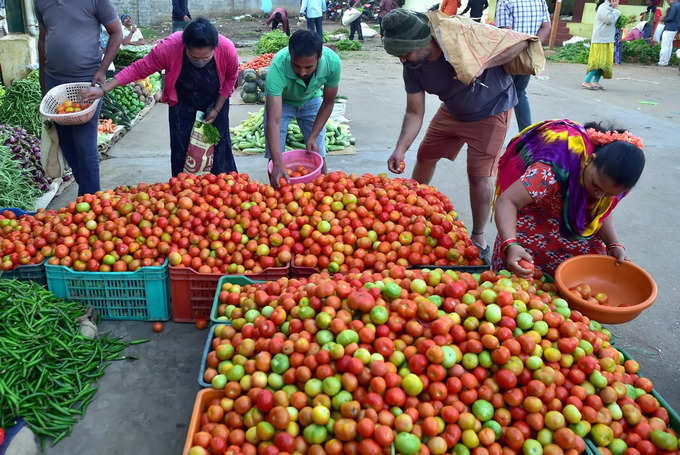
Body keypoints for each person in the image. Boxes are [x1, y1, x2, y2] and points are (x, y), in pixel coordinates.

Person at [382, 9, 525, 261]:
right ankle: (414, 210)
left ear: (424, 42)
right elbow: (414, 113)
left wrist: (481, 63)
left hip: (492, 110)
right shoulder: (412, 66)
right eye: (399, 55)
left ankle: (478, 235)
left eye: (406, 53)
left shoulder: (459, 36)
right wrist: (400, 149)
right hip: (452, 109)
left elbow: (521, 41)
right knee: (425, 155)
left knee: (479, 176)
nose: (403, 60)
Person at [82, 18, 239, 177]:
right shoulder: (170, 47)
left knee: (218, 148)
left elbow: (230, 80)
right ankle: (184, 191)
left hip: (215, 102)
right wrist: (104, 89)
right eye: (194, 58)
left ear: (215, 47)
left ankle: (223, 188)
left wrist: (217, 109)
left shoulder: (227, 49)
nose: (200, 62)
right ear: (185, 47)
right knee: (182, 150)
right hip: (182, 104)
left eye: (205, 58)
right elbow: (139, 68)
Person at [492, 119, 645, 278]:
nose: (599, 196)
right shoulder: (553, 168)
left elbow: (601, 212)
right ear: (590, 160)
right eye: (596, 186)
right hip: (533, 214)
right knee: (516, 276)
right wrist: (511, 244)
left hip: (571, 223)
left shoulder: (616, 185)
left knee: (585, 275)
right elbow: (508, 201)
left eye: (607, 194)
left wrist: (613, 244)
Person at [35, 0, 122, 196]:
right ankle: (87, 194)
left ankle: (91, 200)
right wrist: (44, 82)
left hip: (86, 82)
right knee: (66, 143)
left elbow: (116, 32)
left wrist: (102, 70)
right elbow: (43, 39)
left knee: (84, 144)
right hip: (54, 82)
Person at [264, 30, 342, 187]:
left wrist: (313, 136)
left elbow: (328, 102)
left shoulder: (332, 63)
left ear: (319, 58)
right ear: (290, 56)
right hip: (283, 101)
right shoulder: (278, 66)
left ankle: (323, 191)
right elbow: (273, 121)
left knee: (318, 152)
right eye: (296, 65)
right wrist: (278, 164)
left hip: (312, 99)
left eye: (309, 67)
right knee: (275, 157)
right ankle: (276, 198)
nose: (302, 72)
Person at [495, 0, 551, 131]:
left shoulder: (505, 1)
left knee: (500, 94)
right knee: (519, 93)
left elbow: (505, 32)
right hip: (529, 57)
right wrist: (532, 45)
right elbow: (546, 26)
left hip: (509, 56)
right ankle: (526, 135)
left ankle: (495, 136)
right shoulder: (539, 1)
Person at [583, 0, 620, 90]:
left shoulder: (611, 8)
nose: (618, 2)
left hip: (608, 39)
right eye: (616, 0)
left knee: (604, 63)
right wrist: (616, 11)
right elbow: (609, 20)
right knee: (598, 62)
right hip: (600, 39)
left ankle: (596, 81)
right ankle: (586, 81)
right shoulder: (603, 7)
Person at [658, 0, 680, 66]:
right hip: (675, 28)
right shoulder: (678, 4)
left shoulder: (673, 5)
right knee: (669, 45)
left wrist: (663, 19)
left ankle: (662, 62)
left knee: (665, 45)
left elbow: (670, 17)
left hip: (670, 27)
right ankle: (666, 61)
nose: (667, 2)